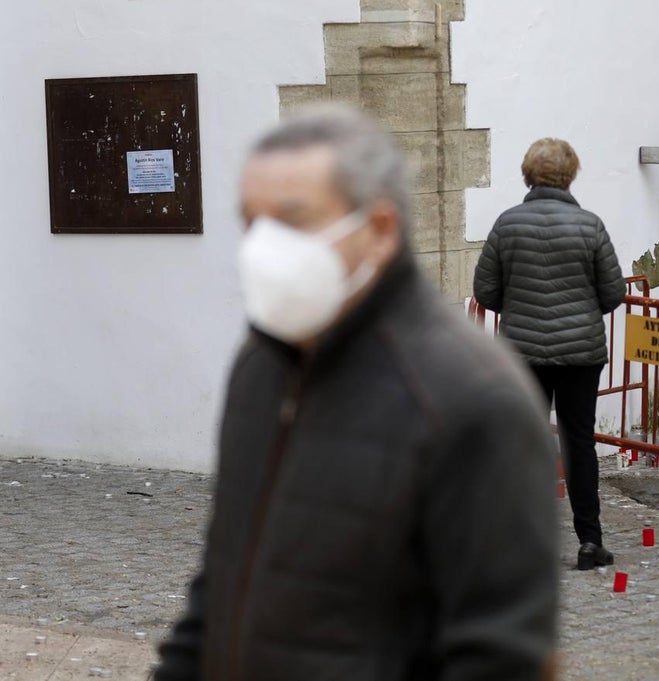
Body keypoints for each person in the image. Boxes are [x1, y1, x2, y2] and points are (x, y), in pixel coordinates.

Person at [154, 106, 558, 680]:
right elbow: (220, 583)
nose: (266, 248)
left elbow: (500, 655)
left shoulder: (472, 399)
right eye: (253, 223)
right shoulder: (261, 365)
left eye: (294, 220)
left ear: (379, 229)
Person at [473, 138, 626, 571]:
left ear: (527, 174)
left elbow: (485, 290)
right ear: (570, 175)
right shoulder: (589, 225)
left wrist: (520, 306)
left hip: (521, 353)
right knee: (578, 443)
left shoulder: (507, 224)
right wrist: (579, 310)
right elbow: (613, 292)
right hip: (581, 354)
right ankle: (590, 542)